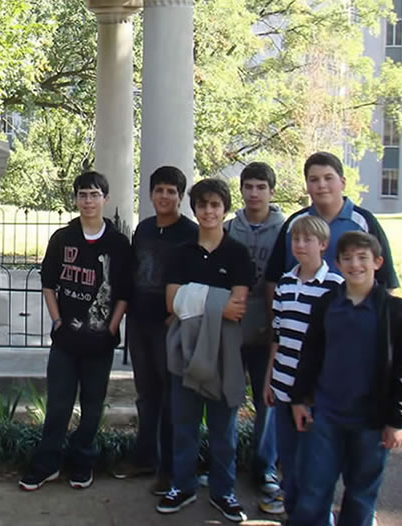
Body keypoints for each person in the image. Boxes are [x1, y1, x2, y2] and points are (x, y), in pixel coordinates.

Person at [19, 171, 133, 492]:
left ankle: (82, 461)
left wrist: (111, 328)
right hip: (66, 340)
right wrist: (57, 322)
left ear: (105, 199)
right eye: (83, 195)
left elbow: (124, 292)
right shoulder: (62, 238)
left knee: (92, 405)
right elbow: (48, 284)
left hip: (100, 341)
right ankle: (48, 463)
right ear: (76, 199)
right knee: (58, 404)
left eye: (95, 194)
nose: (88, 201)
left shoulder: (118, 243)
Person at [288, 231, 402, 526]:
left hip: (371, 419)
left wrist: (398, 420)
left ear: (378, 262)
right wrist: (299, 399)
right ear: (338, 265)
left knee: (361, 492)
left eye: (362, 258)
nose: (355, 265)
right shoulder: (328, 304)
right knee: (315, 488)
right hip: (327, 415)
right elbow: (310, 354)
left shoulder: (393, 310)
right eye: (347, 259)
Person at [157, 179, 254, 522]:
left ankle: (223, 491)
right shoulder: (180, 253)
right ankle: (181, 486)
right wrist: (216, 301)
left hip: (225, 351)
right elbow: (172, 302)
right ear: (194, 209)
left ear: (224, 208)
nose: (209, 211)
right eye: (202, 205)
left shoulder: (237, 253)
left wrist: (194, 297)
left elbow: (237, 308)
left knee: (222, 429)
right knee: (183, 424)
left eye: (215, 205)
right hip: (186, 346)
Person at [112, 166, 197, 495]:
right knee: (146, 395)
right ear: (150, 194)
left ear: (180, 196)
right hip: (140, 322)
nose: (165, 196)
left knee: (171, 397)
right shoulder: (144, 229)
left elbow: (194, 278)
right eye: (159, 190)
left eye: (171, 191)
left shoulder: (189, 233)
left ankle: (170, 468)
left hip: (169, 325)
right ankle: (144, 456)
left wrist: (177, 314)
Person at [262, 215, 343, 520]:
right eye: (296, 239)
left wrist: (313, 391)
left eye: (308, 240)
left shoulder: (335, 286)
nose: (300, 245)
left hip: (313, 393)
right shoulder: (284, 283)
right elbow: (278, 335)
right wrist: (269, 378)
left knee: (316, 466)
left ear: (323, 245)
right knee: (290, 462)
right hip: (283, 387)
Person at [223, 161, 285, 510]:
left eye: (261, 186)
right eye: (248, 186)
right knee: (230, 399)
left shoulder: (285, 229)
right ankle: (226, 466)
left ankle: (264, 469)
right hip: (235, 327)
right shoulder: (232, 229)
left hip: (269, 329)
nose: (254, 193)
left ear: (271, 191)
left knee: (268, 402)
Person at [267, 151, 400, 289]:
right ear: (306, 185)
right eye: (314, 180)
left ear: (342, 182)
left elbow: (386, 280)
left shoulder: (364, 222)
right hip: (300, 308)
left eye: (328, 178)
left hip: (351, 309)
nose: (321, 185)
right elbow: (273, 278)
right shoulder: (294, 224)